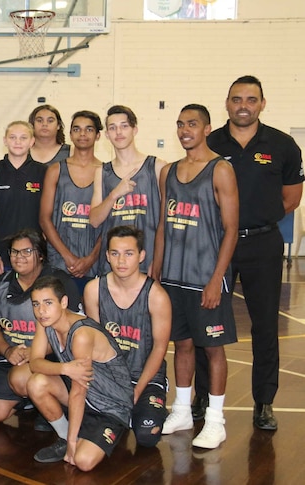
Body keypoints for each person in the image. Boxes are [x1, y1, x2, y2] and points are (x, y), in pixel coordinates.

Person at [198, 75, 304, 430]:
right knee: (208, 322)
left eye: (251, 99)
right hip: (215, 245)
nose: (243, 105)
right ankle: (201, 397)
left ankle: (264, 402)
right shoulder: (209, 143)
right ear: (226, 103)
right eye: (236, 99)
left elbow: (290, 199)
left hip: (263, 244)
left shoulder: (284, 145)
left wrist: (256, 219)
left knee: (264, 326)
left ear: (262, 103)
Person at [153, 104, 239, 450]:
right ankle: (183, 409)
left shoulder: (220, 170)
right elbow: (162, 225)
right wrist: (156, 273)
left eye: (192, 124)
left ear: (207, 128)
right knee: (183, 345)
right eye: (180, 124)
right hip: (174, 276)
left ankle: (216, 420)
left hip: (205, 276)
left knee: (213, 349)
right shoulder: (169, 172)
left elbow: (231, 230)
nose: (184, 129)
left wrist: (216, 279)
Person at [27, 276, 133, 471]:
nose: (41, 311)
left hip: (110, 405)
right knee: (36, 382)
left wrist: (73, 444)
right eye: (36, 304)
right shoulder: (44, 322)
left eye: (48, 303)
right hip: (86, 398)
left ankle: (99, 433)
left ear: (64, 302)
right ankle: (65, 435)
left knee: (83, 461)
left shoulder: (81, 334)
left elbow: (79, 391)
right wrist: (64, 368)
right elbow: (34, 363)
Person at [0, 229, 80, 426]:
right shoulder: (2, 284)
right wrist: (8, 351)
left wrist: (37, 352)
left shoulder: (60, 282)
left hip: (51, 359)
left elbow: (74, 330)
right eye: (15, 252)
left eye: (27, 251)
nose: (20, 257)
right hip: (14, 358)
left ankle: (63, 415)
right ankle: (30, 399)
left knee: (19, 378)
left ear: (40, 254)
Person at [83, 225, 171, 447]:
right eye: (115, 253)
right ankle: (119, 417)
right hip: (111, 377)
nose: (121, 261)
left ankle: (140, 410)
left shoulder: (156, 295)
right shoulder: (94, 289)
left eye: (128, 253)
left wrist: (137, 390)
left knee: (147, 436)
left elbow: (160, 348)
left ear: (141, 256)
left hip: (145, 377)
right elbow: (94, 342)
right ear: (107, 256)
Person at [89, 105, 166, 277]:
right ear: (107, 135)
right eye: (112, 127)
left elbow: (167, 220)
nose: (119, 132)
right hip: (114, 264)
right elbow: (94, 220)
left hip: (149, 261)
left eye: (124, 126)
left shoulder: (157, 166)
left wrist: (159, 260)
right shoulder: (102, 172)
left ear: (134, 129)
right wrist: (115, 194)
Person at [40, 110, 103, 293]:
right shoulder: (56, 170)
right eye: (77, 129)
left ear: (98, 135)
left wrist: (90, 259)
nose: (82, 134)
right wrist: (67, 257)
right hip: (60, 262)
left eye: (88, 129)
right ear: (70, 134)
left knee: (90, 319)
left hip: (94, 262)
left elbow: (109, 223)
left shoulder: (106, 172)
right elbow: (44, 219)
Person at [0, 121, 47, 278]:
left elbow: (48, 216)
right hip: (0, 258)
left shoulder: (44, 172)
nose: (18, 142)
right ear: (5, 140)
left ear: (32, 141)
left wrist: (41, 252)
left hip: (33, 255)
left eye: (23, 137)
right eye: (13, 137)